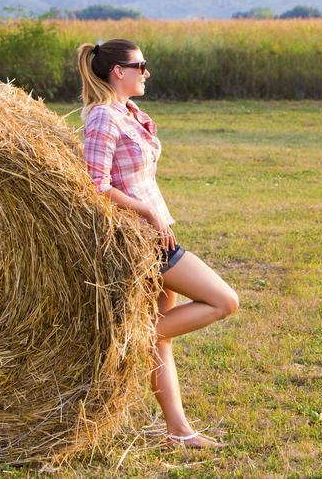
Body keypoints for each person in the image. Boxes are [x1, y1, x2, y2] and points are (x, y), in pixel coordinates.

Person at [76, 38, 239, 450]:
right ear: (118, 71)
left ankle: (178, 430)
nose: (146, 72)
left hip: (159, 231)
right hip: (142, 239)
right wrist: (146, 214)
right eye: (140, 65)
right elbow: (95, 186)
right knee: (224, 301)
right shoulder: (102, 119)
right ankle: (128, 341)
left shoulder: (127, 113)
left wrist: (157, 214)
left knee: (161, 337)